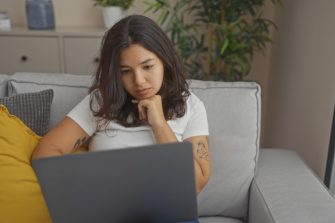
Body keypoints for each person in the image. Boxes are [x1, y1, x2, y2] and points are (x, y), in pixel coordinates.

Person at [32, 15, 210, 223]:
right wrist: (86, 193)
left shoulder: (191, 106)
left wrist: (159, 124)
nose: (139, 81)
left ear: (164, 60)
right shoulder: (101, 102)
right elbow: (45, 153)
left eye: (147, 66)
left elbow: (196, 184)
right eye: (125, 72)